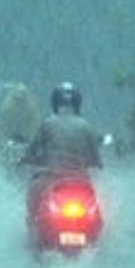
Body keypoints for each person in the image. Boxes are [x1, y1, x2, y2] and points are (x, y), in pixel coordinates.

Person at [21, 82, 103, 215]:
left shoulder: (47, 124)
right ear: (77, 103)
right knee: (96, 208)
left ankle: (33, 232)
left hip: (50, 180)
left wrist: (27, 159)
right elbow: (97, 160)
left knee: (33, 200)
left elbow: (32, 152)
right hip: (81, 182)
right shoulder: (86, 126)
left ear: (55, 103)